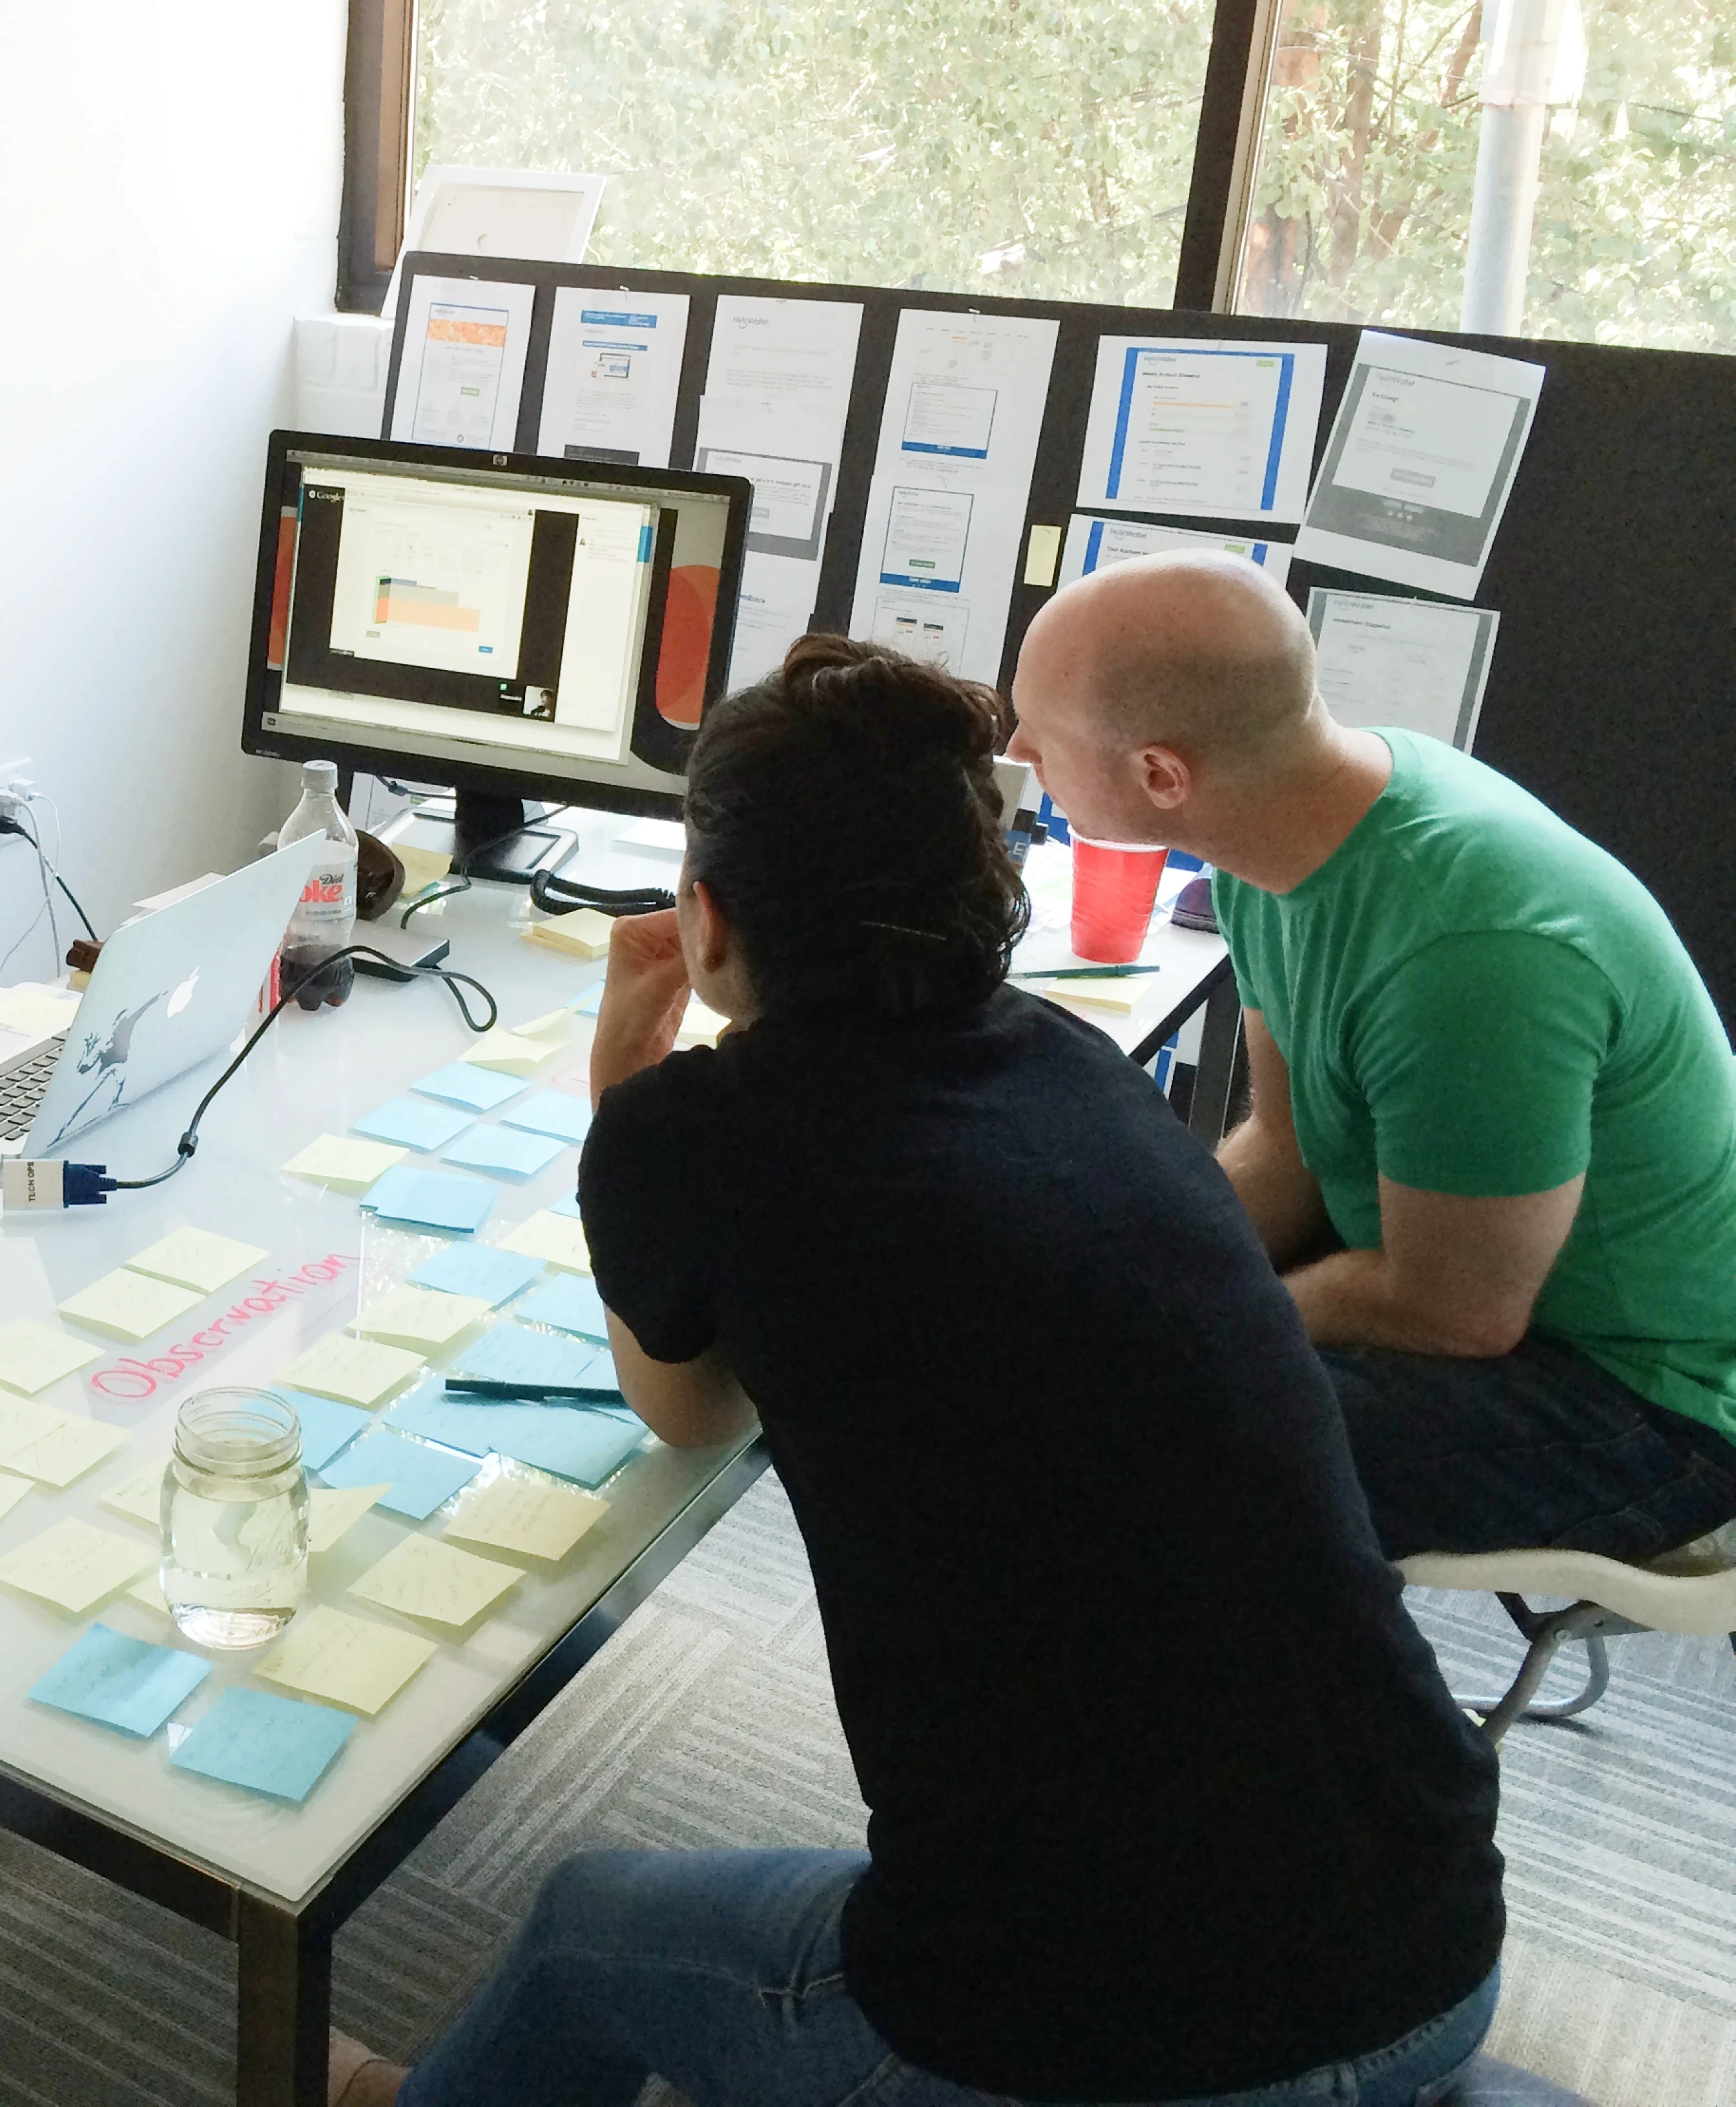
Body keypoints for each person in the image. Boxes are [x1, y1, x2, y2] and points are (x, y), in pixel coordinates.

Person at [332, 637, 1502, 2107]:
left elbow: (683, 1415)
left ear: (702, 917)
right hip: (1435, 1935)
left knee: (579, 1927)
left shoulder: (693, 1131)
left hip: (1123, 2050)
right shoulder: (1081, 1068)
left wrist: (622, 1091)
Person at [1008, 553, 1736, 1562]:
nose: (1017, 750)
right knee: (1074, 1330)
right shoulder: (1280, 833)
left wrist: (1201, 1316)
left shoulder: (1472, 949)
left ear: (1162, 775)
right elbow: (1287, 1146)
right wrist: (1144, 1275)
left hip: (1642, 1393)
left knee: (1122, 1451)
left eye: (1040, 736)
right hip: (1443, 1278)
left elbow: (1458, 1313)